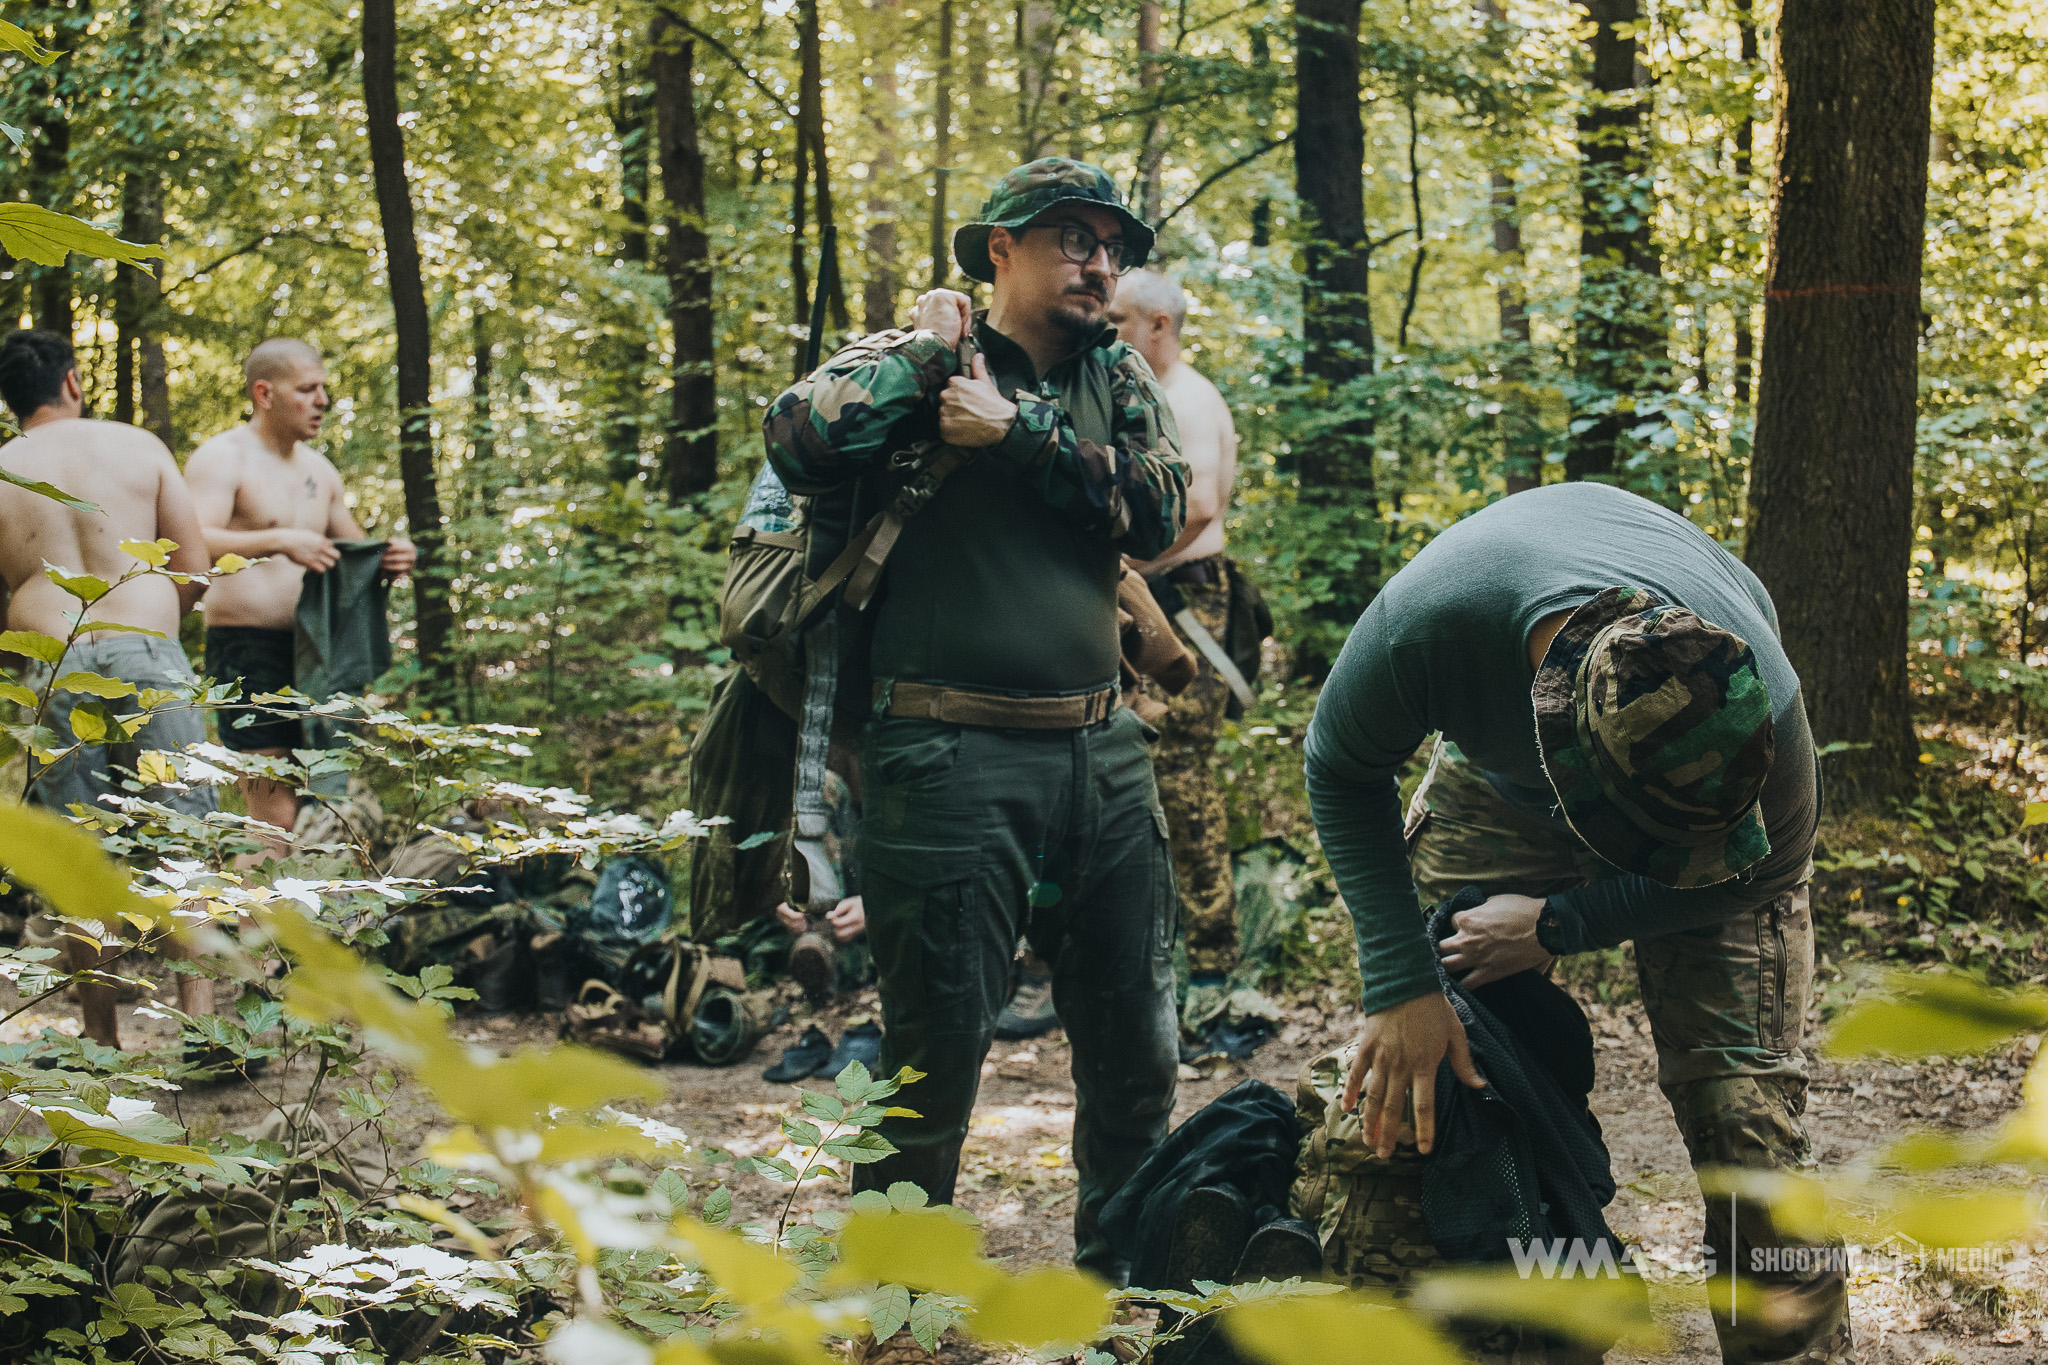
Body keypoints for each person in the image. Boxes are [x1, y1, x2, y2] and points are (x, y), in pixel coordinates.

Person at [763, 157, 1189, 1349]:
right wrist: (919, 358)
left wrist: (1019, 435)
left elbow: (1158, 513)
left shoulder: (1117, 378)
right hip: (944, 758)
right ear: (997, 251)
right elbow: (796, 438)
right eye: (1069, 237)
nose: (1097, 261)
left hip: (1103, 757)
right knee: (931, 1055)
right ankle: (898, 1319)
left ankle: (1118, 1302)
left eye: (1110, 243)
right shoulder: (914, 356)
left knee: (1134, 1051)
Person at [1304, 481, 1848, 1364]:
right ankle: (1503, 1311)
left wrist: (1556, 922)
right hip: (1500, 782)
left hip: (1714, 842)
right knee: (1434, 1064)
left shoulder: (1761, 737)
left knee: (1748, 1128)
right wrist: (1401, 986)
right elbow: (1338, 766)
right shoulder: (1439, 622)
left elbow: (1737, 878)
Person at [0, 328, 219, 1050]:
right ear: (71, 382)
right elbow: (193, 569)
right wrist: (148, 629)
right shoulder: (138, 446)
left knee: (77, 858)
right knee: (180, 837)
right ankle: (202, 1027)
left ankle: (100, 1041)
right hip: (150, 653)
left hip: (54, 663)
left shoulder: (5, 466)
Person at [184, 339, 414, 858]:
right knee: (274, 812)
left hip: (318, 656)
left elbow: (353, 555)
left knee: (328, 798)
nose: (323, 400)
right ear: (264, 393)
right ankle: (250, 935)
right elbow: (191, 540)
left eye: (324, 388)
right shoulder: (223, 458)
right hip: (246, 649)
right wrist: (279, 539)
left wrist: (391, 559)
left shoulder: (320, 472)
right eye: (307, 389)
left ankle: (291, 928)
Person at [1108, 269, 1244, 1032]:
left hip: (1186, 600)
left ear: (1159, 323)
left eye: (1121, 316)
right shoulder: (1148, 389)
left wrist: (1129, 570)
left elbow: (1197, 505)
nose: (1109, 325)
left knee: (1182, 771)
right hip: (1163, 592)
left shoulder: (1185, 395)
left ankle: (1217, 969)